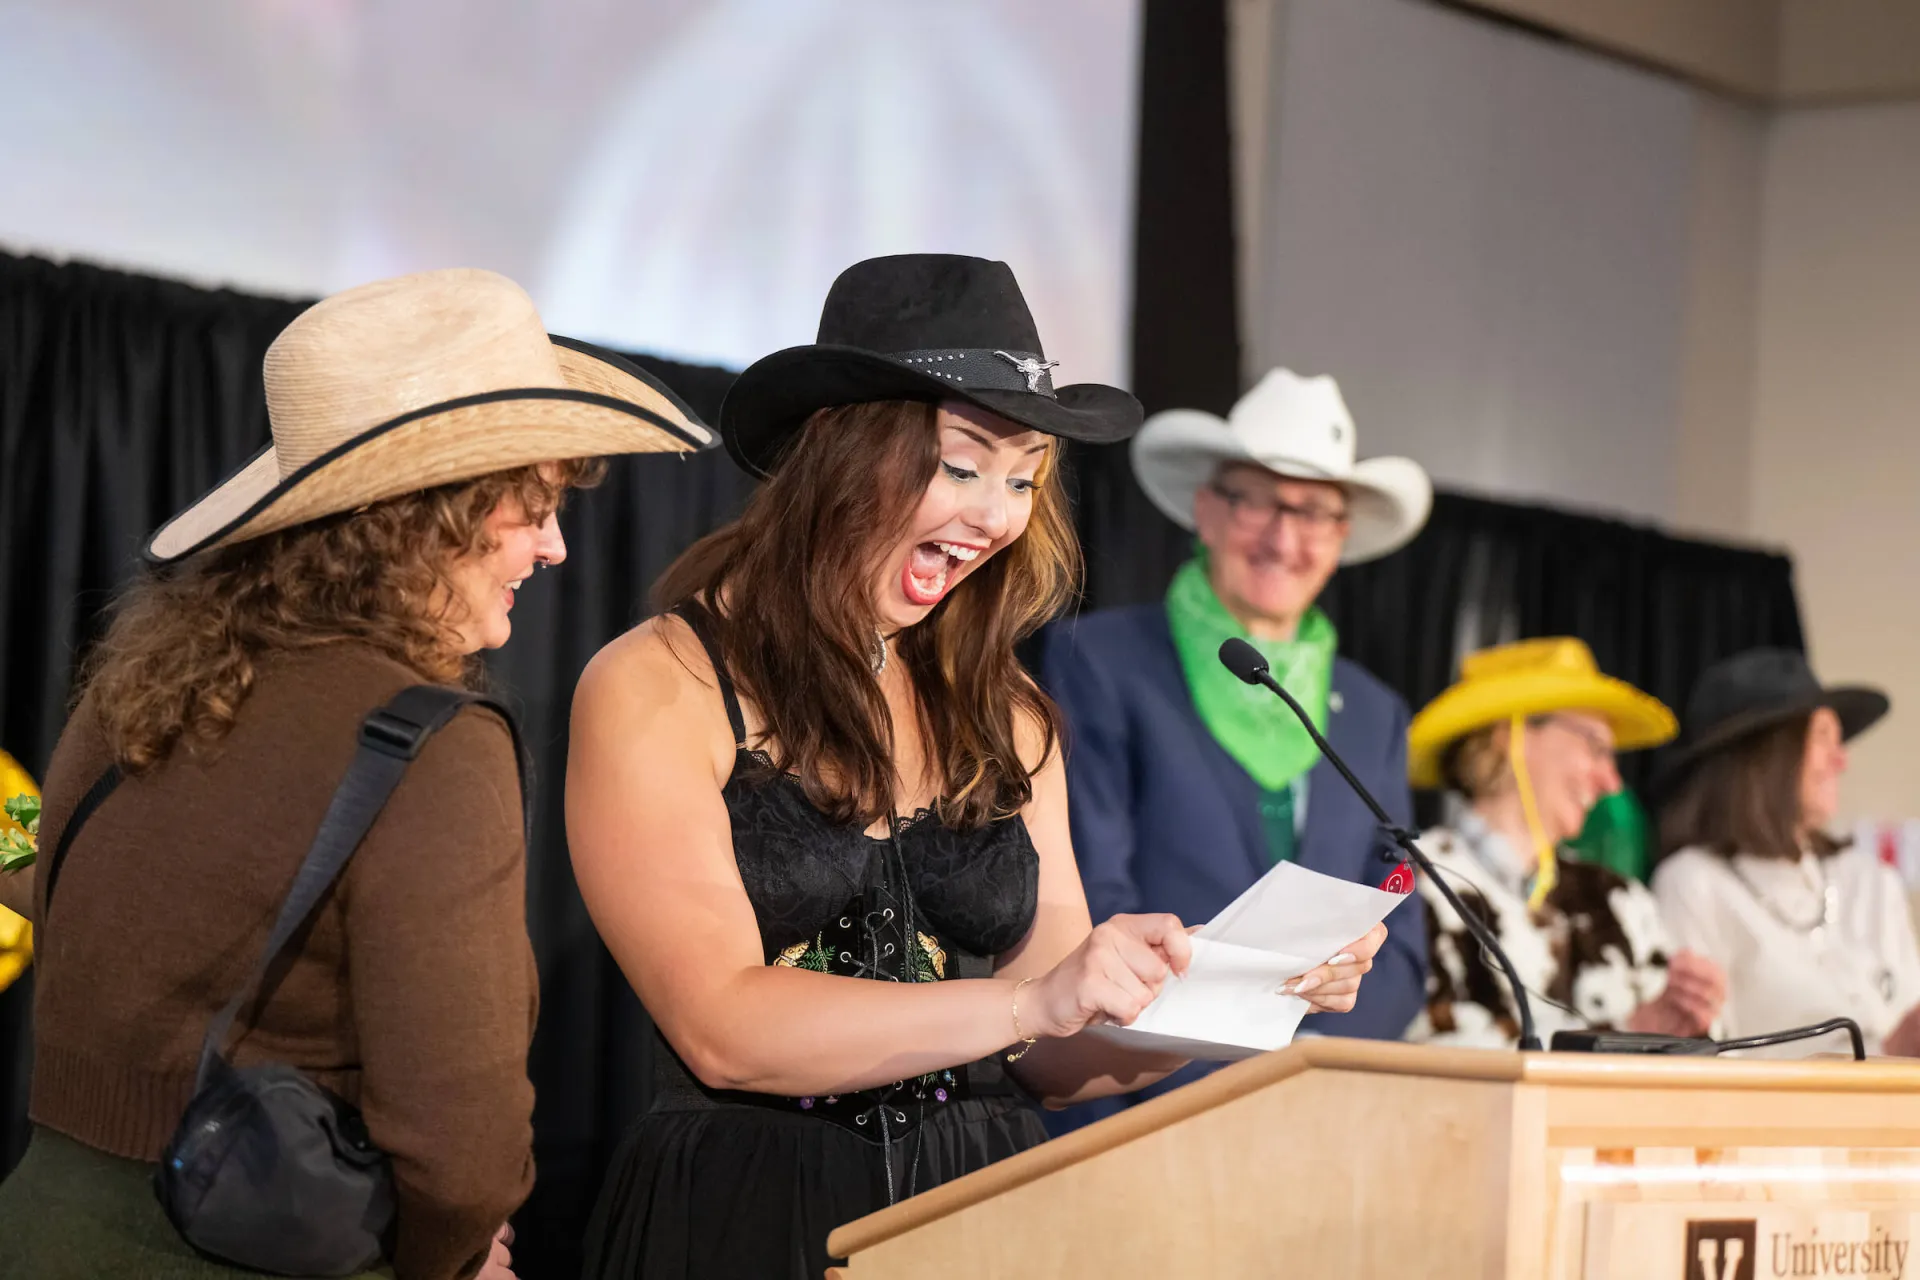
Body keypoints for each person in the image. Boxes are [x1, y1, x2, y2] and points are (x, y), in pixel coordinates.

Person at [565, 255, 1389, 1280]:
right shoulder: (659, 682)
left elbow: (1052, 1055)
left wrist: (1245, 991)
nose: (998, 517)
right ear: (838, 450)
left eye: (1024, 477)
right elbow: (724, 1026)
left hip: (977, 1219)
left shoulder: (1008, 714)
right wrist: (1029, 1004)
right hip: (746, 1212)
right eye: (962, 466)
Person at [0, 268, 713, 1280]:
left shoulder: (145, 680)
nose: (555, 546)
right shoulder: (434, 744)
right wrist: (452, 1260)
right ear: (428, 510)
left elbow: (49, 887)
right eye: (536, 504)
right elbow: (460, 1149)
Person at [1037, 369, 1432, 1125]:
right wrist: (1224, 1056)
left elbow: (1400, 921)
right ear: (1206, 508)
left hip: (1324, 1110)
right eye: (1258, 502)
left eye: (1314, 513)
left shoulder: (1374, 715)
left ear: (1342, 537)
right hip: (1136, 1102)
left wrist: (1312, 1068)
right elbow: (1089, 897)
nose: (1285, 539)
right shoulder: (1100, 661)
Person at [1402, 638, 1726, 1048]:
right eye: (1595, 747)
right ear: (1511, 736)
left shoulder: (1621, 902)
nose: (1610, 782)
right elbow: (1424, 1052)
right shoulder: (1412, 886)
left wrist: (1691, 1017)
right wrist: (1626, 1034)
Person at [1653, 648, 1920, 1057]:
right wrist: (1888, 1051)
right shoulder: (1694, 883)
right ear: (1769, 755)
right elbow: (1698, 1065)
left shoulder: (1872, 884)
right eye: (1824, 738)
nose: (1842, 760)